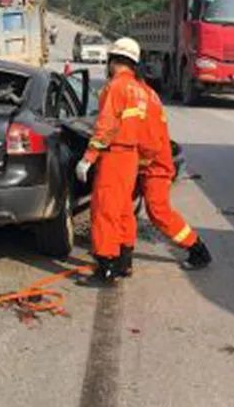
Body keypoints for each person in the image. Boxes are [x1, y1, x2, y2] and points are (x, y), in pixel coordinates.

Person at [76, 37, 148, 283]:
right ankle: (124, 261)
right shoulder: (140, 90)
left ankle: (106, 266)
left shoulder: (115, 87)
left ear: (113, 60)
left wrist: (88, 157)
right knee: (124, 210)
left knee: (105, 210)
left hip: (114, 156)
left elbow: (106, 126)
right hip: (131, 157)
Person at [133, 65, 212, 271]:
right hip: (152, 163)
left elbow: (148, 143)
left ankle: (197, 248)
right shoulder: (146, 96)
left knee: (159, 212)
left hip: (154, 166)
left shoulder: (141, 99)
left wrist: (136, 162)